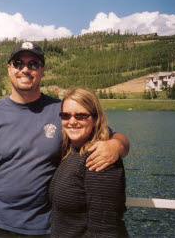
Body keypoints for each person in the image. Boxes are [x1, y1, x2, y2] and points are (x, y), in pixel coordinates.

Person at [0, 41, 129, 237]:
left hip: (44, 227)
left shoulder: (63, 112)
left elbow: (106, 134)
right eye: (18, 63)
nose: (25, 69)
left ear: (42, 70)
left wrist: (116, 145)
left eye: (33, 64)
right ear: (9, 68)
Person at [49, 88, 128, 237]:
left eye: (81, 116)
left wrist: (118, 144)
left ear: (95, 119)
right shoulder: (71, 151)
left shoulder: (100, 159)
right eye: (66, 115)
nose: (72, 121)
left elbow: (104, 231)